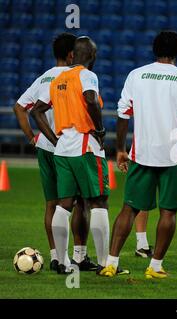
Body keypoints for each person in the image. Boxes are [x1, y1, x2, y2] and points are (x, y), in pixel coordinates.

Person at [99, 31, 177, 279]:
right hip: (173, 156)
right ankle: (155, 267)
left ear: (154, 49)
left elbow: (122, 114)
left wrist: (119, 149)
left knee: (129, 208)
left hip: (142, 154)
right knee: (168, 212)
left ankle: (111, 263)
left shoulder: (136, 75)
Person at [13, 33, 96, 272]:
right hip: (69, 148)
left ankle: (56, 257)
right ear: (73, 54)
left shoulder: (44, 77)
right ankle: (79, 256)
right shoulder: (77, 76)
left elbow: (19, 107)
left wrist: (32, 137)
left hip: (45, 148)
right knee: (79, 203)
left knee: (52, 204)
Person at [31, 36, 112, 275]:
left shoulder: (58, 79)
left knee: (64, 205)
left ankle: (64, 262)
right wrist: (99, 129)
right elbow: (90, 100)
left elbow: (37, 111)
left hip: (63, 147)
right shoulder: (87, 75)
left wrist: (55, 139)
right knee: (98, 202)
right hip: (85, 145)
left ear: (73, 55)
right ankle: (106, 263)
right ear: (91, 56)